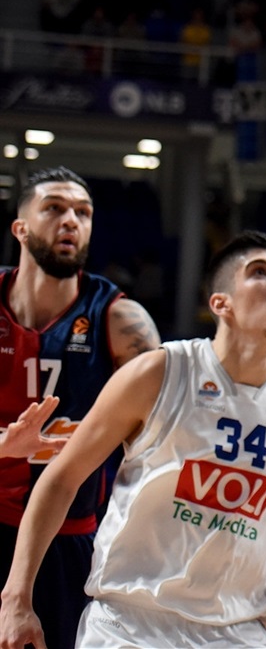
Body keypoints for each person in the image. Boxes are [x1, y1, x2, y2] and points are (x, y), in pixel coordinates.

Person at [0, 230, 266, 649]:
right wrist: (16, 597)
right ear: (221, 303)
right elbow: (60, 479)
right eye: (261, 273)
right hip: (131, 621)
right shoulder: (157, 373)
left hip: (236, 629)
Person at [0, 166, 163, 649]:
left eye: (83, 213)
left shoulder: (120, 320)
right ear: (21, 227)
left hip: (66, 539)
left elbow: (162, 441)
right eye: (54, 208)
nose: (71, 220)